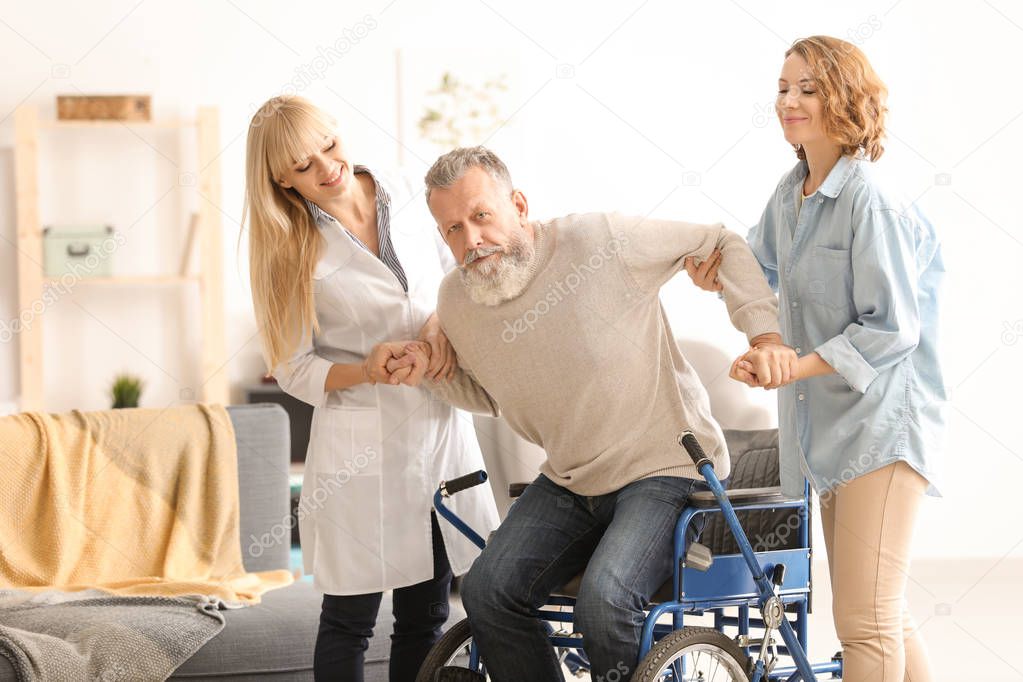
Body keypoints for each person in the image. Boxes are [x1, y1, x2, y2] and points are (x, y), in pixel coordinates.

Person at [406, 145, 783, 681]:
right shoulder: (459, 301)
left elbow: (717, 239)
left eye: (481, 216)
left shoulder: (599, 241)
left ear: (518, 204)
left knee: (605, 602)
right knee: (487, 590)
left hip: (664, 468)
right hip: (571, 478)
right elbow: (491, 396)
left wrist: (764, 335)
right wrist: (432, 368)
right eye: (452, 229)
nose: (471, 241)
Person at [686, 36, 945, 682]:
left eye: (807, 88)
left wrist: (791, 366)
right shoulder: (791, 193)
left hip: (881, 430)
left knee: (864, 622)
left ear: (846, 100)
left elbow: (891, 329)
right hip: (826, 430)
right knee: (879, 611)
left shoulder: (868, 201)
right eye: (782, 87)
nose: (788, 101)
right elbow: (757, 269)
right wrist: (715, 275)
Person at [243, 95, 499, 681]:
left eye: (328, 146)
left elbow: (458, 276)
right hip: (361, 450)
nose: (327, 168)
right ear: (281, 179)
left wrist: (439, 328)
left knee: (427, 617)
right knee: (349, 622)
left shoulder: (411, 190)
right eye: (303, 166)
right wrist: (368, 367)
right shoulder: (288, 247)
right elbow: (293, 367)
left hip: (440, 430)